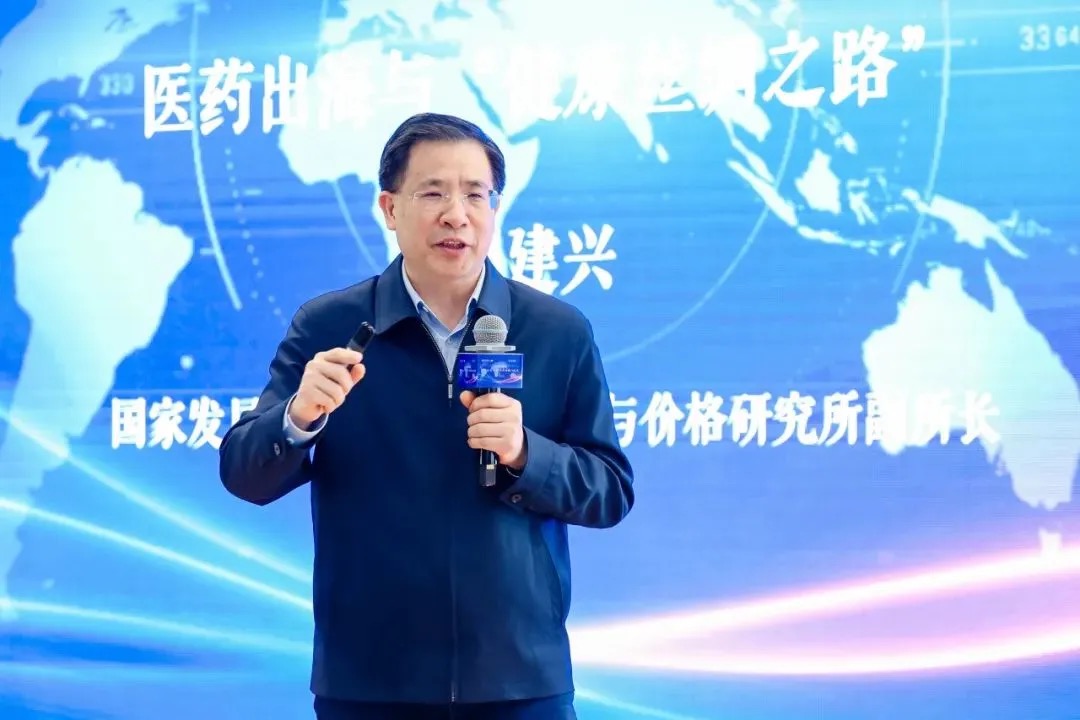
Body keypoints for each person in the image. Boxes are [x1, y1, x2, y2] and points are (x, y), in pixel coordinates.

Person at [218, 112, 635, 720]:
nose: (456, 215)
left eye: (475, 195)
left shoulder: (556, 330)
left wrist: (526, 453)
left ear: (495, 208)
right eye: (433, 193)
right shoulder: (329, 325)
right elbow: (243, 474)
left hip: (519, 677)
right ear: (389, 208)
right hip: (369, 680)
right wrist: (299, 417)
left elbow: (610, 490)